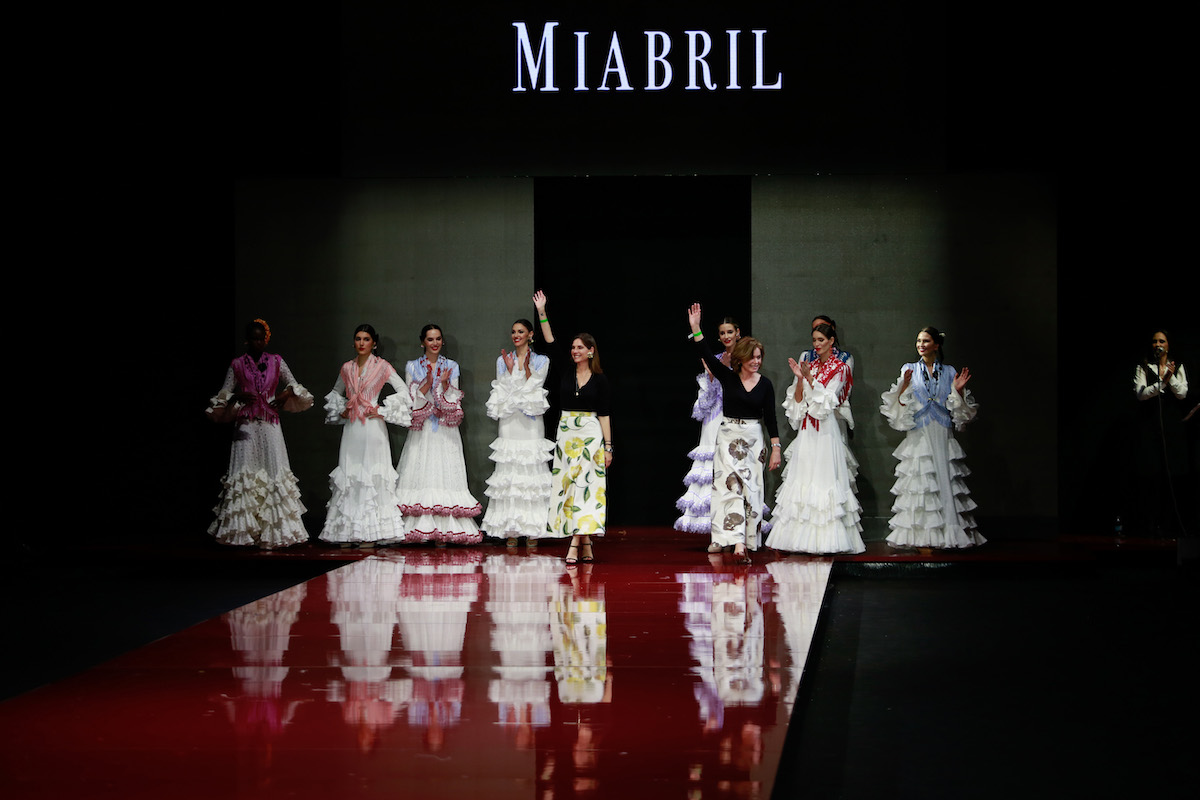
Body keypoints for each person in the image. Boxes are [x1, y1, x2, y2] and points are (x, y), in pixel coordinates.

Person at [687, 303, 781, 564]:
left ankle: (745, 541)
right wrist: (696, 328)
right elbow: (705, 352)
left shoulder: (765, 384)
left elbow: (770, 418)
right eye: (752, 357)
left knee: (751, 491)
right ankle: (737, 543)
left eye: (759, 357)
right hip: (728, 436)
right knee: (730, 489)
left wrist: (776, 448)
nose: (756, 361)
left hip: (754, 440)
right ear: (741, 359)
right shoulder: (728, 378)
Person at [207, 319, 313, 548]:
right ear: (247, 340)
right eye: (253, 338)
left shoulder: (276, 361)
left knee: (274, 471)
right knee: (245, 475)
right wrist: (236, 397)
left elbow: (294, 385)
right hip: (246, 425)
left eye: (261, 338)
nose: (258, 342)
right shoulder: (237, 364)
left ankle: (274, 533)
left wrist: (285, 394)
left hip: (270, 424)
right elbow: (224, 393)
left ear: (266, 339)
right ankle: (245, 532)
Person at [878, 326, 983, 548]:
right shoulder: (909, 368)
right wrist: (904, 386)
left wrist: (959, 391)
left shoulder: (948, 371)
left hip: (941, 428)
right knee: (921, 476)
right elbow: (899, 402)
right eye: (918, 341)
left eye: (925, 341)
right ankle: (922, 535)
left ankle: (948, 531)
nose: (921, 345)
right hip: (919, 429)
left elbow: (959, 409)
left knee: (943, 473)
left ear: (936, 344)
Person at [766, 323, 865, 554]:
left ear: (831, 341)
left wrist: (810, 378)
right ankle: (798, 539)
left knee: (823, 479)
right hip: (807, 431)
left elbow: (828, 401)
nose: (817, 344)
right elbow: (798, 402)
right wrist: (800, 379)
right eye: (814, 340)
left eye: (821, 340)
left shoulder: (840, 368)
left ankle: (826, 541)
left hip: (826, 431)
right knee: (803, 478)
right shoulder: (810, 366)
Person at [534, 291, 612, 565]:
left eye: (580, 347)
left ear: (591, 351)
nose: (575, 351)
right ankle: (586, 541)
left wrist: (608, 447)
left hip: (590, 435)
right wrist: (542, 311)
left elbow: (604, 415)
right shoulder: (566, 372)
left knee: (586, 487)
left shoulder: (600, 380)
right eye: (573, 347)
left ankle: (575, 544)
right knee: (569, 488)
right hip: (567, 434)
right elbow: (549, 340)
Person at [320, 323, 410, 545]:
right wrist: (341, 410)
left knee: (372, 475)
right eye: (358, 339)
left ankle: (372, 532)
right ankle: (346, 532)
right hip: (352, 428)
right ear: (354, 342)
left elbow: (403, 391)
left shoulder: (382, 367)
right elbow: (335, 392)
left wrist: (382, 411)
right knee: (350, 475)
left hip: (373, 429)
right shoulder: (347, 368)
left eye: (366, 339)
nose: (362, 343)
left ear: (374, 343)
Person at [395, 324, 483, 544]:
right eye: (430, 339)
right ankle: (420, 529)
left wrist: (443, 384)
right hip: (423, 428)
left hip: (445, 427)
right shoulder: (412, 366)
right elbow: (411, 399)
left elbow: (454, 401)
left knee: (445, 472)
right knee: (422, 471)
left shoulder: (451, 366)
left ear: (442, 341)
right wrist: (427, 383)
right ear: (422, 342)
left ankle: (445, 530)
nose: (434, 343)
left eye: (438, 339)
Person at [482, 317, 554, 547]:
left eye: (521, 331)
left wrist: (523, 370)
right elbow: (502, 390)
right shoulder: (503, 360)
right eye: (513, 331)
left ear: (530, 335)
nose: (516, 335)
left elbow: (534, 388)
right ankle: (511, 529)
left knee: (530, 467)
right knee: (510, 469)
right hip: (510, 418)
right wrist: (511, 371)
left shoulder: (541, 360)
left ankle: (533, 529)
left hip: (531, 419)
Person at [1129, 329, 1190, 537]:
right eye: (1155, 341)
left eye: (1162, 341)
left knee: (1172, 473)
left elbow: (1182, 394)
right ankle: (1149, 524)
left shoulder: (1177, 366)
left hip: (1171, 427)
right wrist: (1162, 382)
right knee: (1151, 473)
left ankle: (1170, 523)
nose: (1158, 345)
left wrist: (1170, 378)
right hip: (1150, 425)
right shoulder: (1143, 366)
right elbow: (1141, 394)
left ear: (1168, 345)